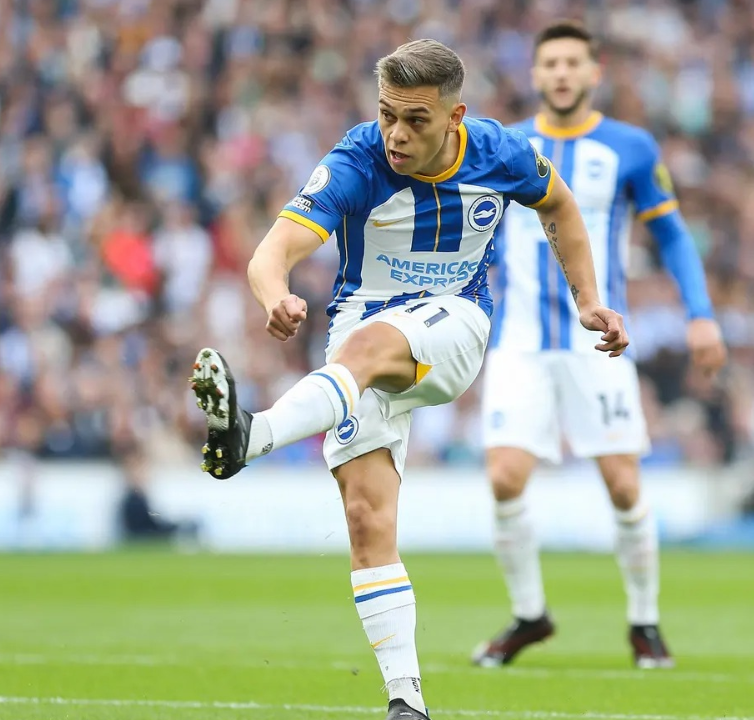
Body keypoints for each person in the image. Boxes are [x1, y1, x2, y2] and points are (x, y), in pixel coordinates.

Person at [189, 39, 628, 720]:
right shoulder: (356, 159)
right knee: (367, 519)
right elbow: (272, 251)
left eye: (415, 119)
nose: (396, 133)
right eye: (387, 113)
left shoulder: (500, 153)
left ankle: (252, 436)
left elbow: (560, 206)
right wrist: (275, 295)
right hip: (358, 331)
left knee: (366, 348)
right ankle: (407, 701)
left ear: (455, 116)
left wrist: (587, 299)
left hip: (455, 323)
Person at [473, 21, 727, 671]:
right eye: (550, 63)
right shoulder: (506, 145)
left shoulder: (629, 147)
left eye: (572, 63)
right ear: (534, 73)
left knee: (621, 484)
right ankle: (529, 615)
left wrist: (699, 315)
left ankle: (644, 622)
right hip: (519, 340)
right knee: (503, 477)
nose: (561, 73)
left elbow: (671, 235)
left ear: (594, 72)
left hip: (600, 342)